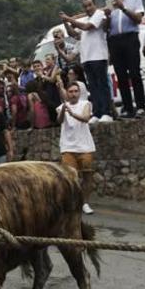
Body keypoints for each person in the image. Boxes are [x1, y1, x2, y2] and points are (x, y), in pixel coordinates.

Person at [60, 0, 113, 123]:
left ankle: (107, 112)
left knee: (102, 85)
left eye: (90, 5)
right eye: (85, 6)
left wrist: (69, 19)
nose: (88, 8)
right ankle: (97, 113)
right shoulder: (84, 18)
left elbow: (87, 27)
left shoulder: (99, 15)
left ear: (95, 4)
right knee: (93, 87)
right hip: (86, 58)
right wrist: (65, 22)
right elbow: (73, 33)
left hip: (98, 56)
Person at [105, 0, 145, 118]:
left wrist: (123, 8)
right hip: (115, 41)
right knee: (121, 76)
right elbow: (106, 28)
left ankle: (141, 107)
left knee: (134, 73)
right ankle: (128, 108)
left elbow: (138, 19)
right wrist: (107, 17)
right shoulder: (111, 3)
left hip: (130, 38)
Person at [57, 82, 96, 215]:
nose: (73, 94)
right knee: (70, 177)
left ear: (79, 93)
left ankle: (85, 203)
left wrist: (73, 114)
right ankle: (73, 203)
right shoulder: (61, 107)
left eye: (75, 91)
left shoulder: (86, 104)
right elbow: (59, 121)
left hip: (85, 146)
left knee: (87, 176)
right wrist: (63, 110)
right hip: (68, 147)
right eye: (71, 91)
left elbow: (85, 118)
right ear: (67, 93)